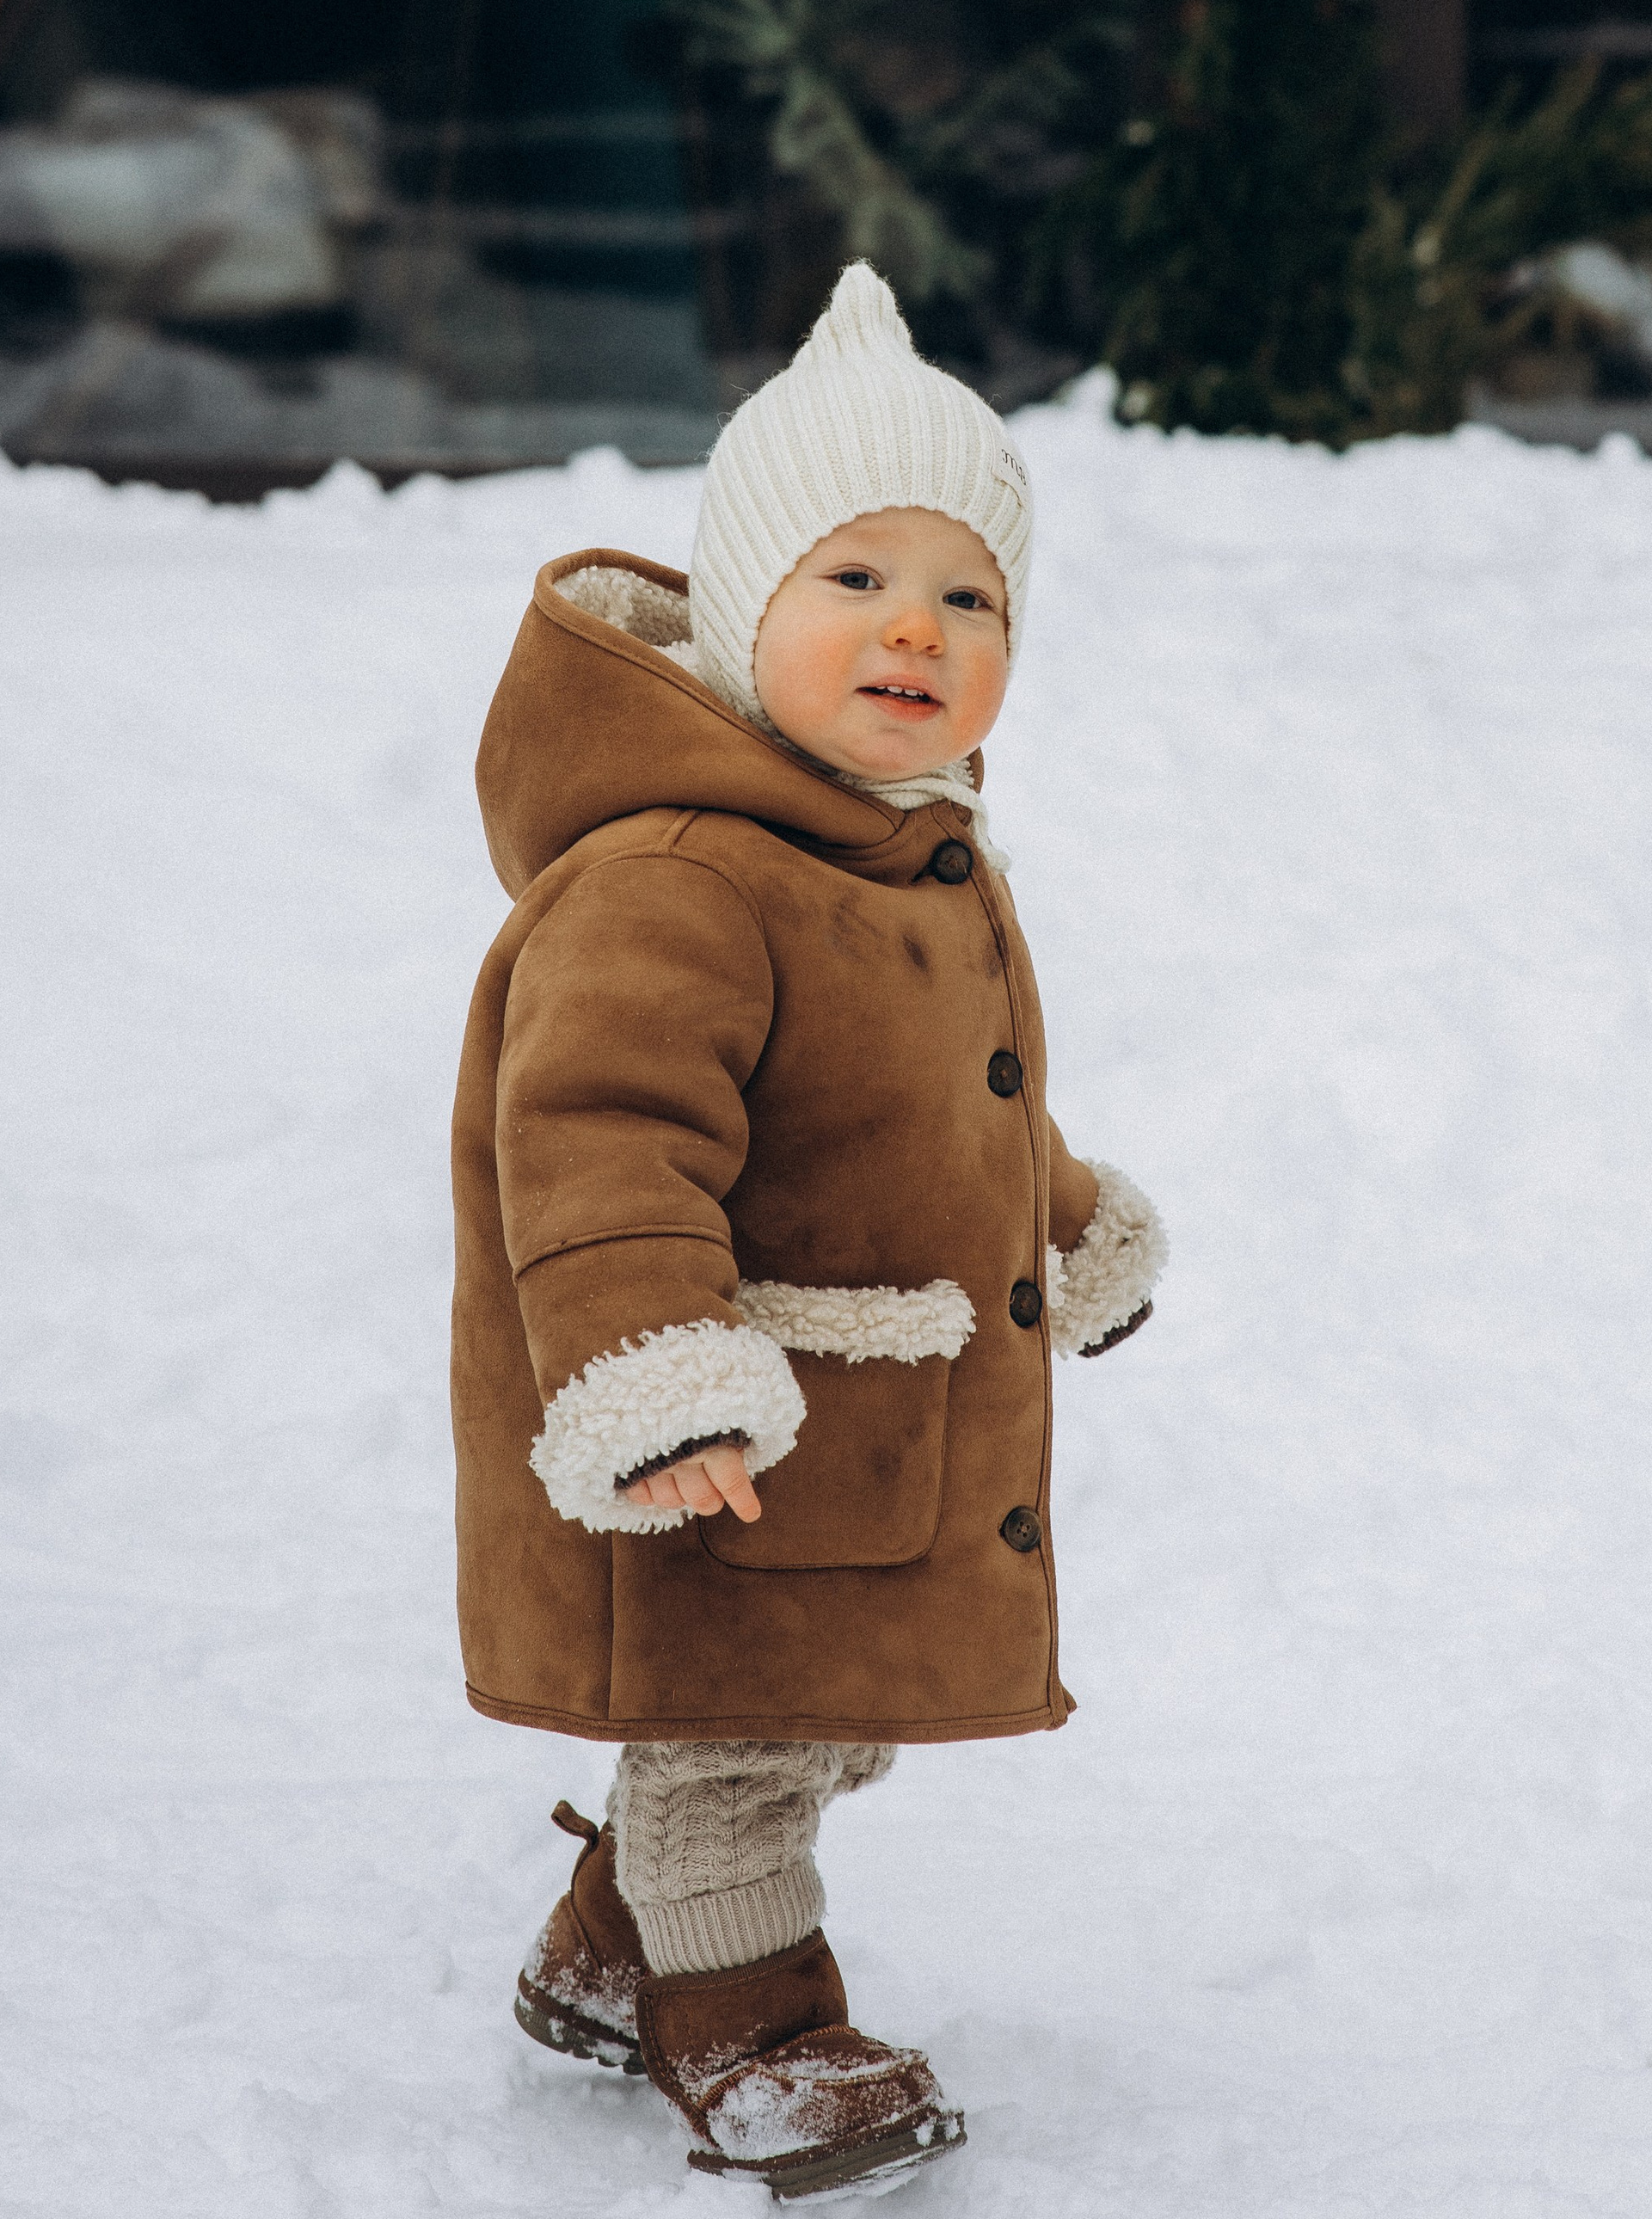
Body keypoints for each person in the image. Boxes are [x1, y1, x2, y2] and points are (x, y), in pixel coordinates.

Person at [450, 261, 1166, 2196]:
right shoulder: (678, 875)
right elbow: (593, 1139)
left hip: (867, 1431)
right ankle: (747, 2026)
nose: (913, 629)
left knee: (814, 1724)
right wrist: (649, 1377)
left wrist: (1071, 1228)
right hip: (727, 1445)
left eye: (968, 594)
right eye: (852, 578)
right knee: (738, 1750)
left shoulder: (898, 848)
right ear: (740, 603)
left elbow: (954, 1119)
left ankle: (607, 1954)